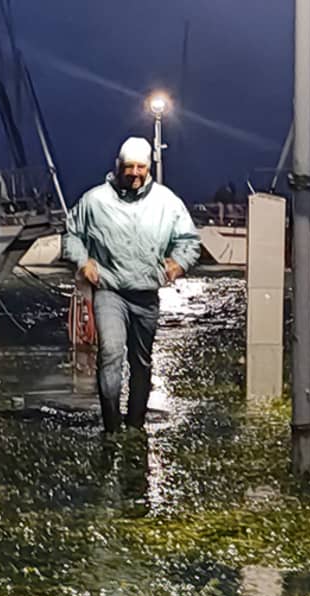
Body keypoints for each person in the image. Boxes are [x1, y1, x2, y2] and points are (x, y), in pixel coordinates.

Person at [62, 136, 201, 434]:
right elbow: (72, 233)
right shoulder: (94, 201)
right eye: (129, 167)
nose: (135, 173)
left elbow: (189, 241)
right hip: (109, 291)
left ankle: (135, 423)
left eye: (140, 167)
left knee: (141, 362)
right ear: (118, 166)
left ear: (148, 168)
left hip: (146, 294)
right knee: (111, 353)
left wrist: (179, 263)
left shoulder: (167, 202)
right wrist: (83, 261)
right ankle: (112, 425)